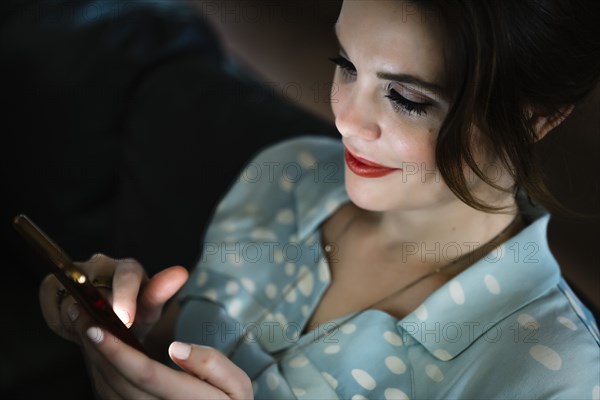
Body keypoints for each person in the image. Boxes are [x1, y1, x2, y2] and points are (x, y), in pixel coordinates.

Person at [39, 1, 600, 399]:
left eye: (405, 97)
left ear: (538, 118)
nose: (345, 120)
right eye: (346, 66)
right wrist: (133, 334)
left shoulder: (554, 376)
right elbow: (186, 341)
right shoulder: (286, 174)